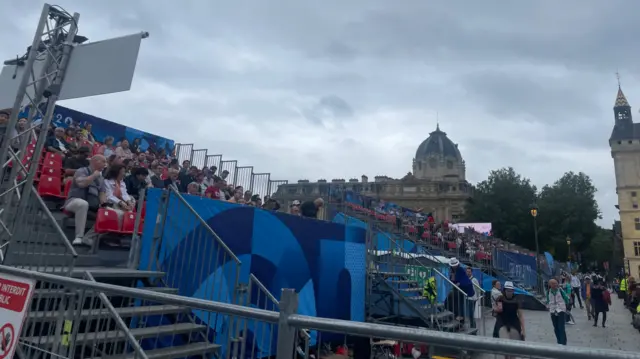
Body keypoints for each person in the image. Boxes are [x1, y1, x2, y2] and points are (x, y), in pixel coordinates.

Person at [63, 155, 107, 247]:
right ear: (96, 161)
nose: (105, 164)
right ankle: (79, 236)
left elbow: (102, 193)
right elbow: (81, 184)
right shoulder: (82, 171)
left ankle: (88, 237)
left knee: (108, 213)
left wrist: (104, 205)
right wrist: (94, 176)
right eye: (103, 162)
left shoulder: (101, 178)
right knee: (83, 204)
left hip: (93, 205)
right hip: (73, 201)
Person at [495, 281, 525, 357]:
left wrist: (523, 330)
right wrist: (496, 310)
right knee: (505, 345)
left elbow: (520, 315)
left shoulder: (516, 300)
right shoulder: (500, 298)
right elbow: (496, 311)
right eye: (508, 290)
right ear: (504, 290)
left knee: (514, 348)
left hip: (514, 322)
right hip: (502, 322)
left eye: (511, 291)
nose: (509, 292)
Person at [449, 258, 474, 323]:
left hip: (463, 289)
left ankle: (461, 317)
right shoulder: (452, 271)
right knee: (454, 301)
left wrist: (459, 283)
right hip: (456, 289)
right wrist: (453, 277)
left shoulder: (461, 270)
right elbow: (452, 280)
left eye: (455, 265)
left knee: (460, 303)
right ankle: (458, 316)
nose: (454, 266)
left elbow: (464, 279)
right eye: (453, 265)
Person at [546, 279, 569, 345]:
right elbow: (548, 300)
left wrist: (566, 308)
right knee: (556, 328)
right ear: (550, 285)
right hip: (553, 311)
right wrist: (548, 306)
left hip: (561, 310)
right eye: (553, 283)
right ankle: (559, 341)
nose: (555, 285)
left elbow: (566, 298)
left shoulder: (560, 290)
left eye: (556, 283)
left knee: (561, 327)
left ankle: (563, 343)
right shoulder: (548, 292)